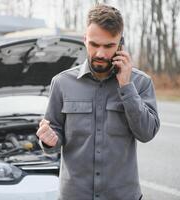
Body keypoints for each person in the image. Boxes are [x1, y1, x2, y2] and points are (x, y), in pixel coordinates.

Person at [36, 3, 160, 200]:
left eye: (109, 45)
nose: (101, 54)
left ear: (121, 43)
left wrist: (126, 87)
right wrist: (48, 140)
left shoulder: (141, 82)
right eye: (94, 44)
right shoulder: (61, 83)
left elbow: (146, 133)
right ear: (85, 40)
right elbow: (54, 133)